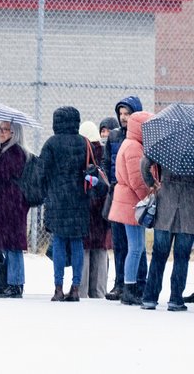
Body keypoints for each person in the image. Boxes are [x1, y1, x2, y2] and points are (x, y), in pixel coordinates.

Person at [40, 106, 90, 302]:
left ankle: (58, 288)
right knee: (77, 242)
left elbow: (42, 170)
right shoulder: (83, 143)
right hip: (79, 200)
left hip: (57, 199)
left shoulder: (51, 143)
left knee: (59, 241)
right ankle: (76, 288)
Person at [109, 108, 154, 305]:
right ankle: (129, 289)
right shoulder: (135, 148)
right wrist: (149, 197)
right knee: (135, 247)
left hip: (126, 200)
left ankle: (130, 286)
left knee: (135, 247)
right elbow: (137, 180)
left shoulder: (129, 143)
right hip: (132, 203)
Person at [141, 154, 193, 311]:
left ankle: (150, 297)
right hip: (189, 207)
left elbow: (144, 164)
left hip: (165, 204)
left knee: (159, 254)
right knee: (182, 256)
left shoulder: (166, 146)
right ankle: (176, 299)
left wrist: (152, 183)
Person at [0, 120, 29, 298]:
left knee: (13, 246)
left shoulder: (15, 152)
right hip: (6, 206)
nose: (1, 132)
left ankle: (16, 283)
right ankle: (11, 281)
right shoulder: (4, 151)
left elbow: (2, 174)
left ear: (14, 133)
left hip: (12, 206)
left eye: (5, 130)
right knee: (9, 245)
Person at [80, 121, 112, 299]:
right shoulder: (104, 153)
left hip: (86, 208)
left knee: (84, 249)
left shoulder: (83, 153)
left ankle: (83, 290)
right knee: (100, 250)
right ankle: (99, 291)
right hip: (102, 209)